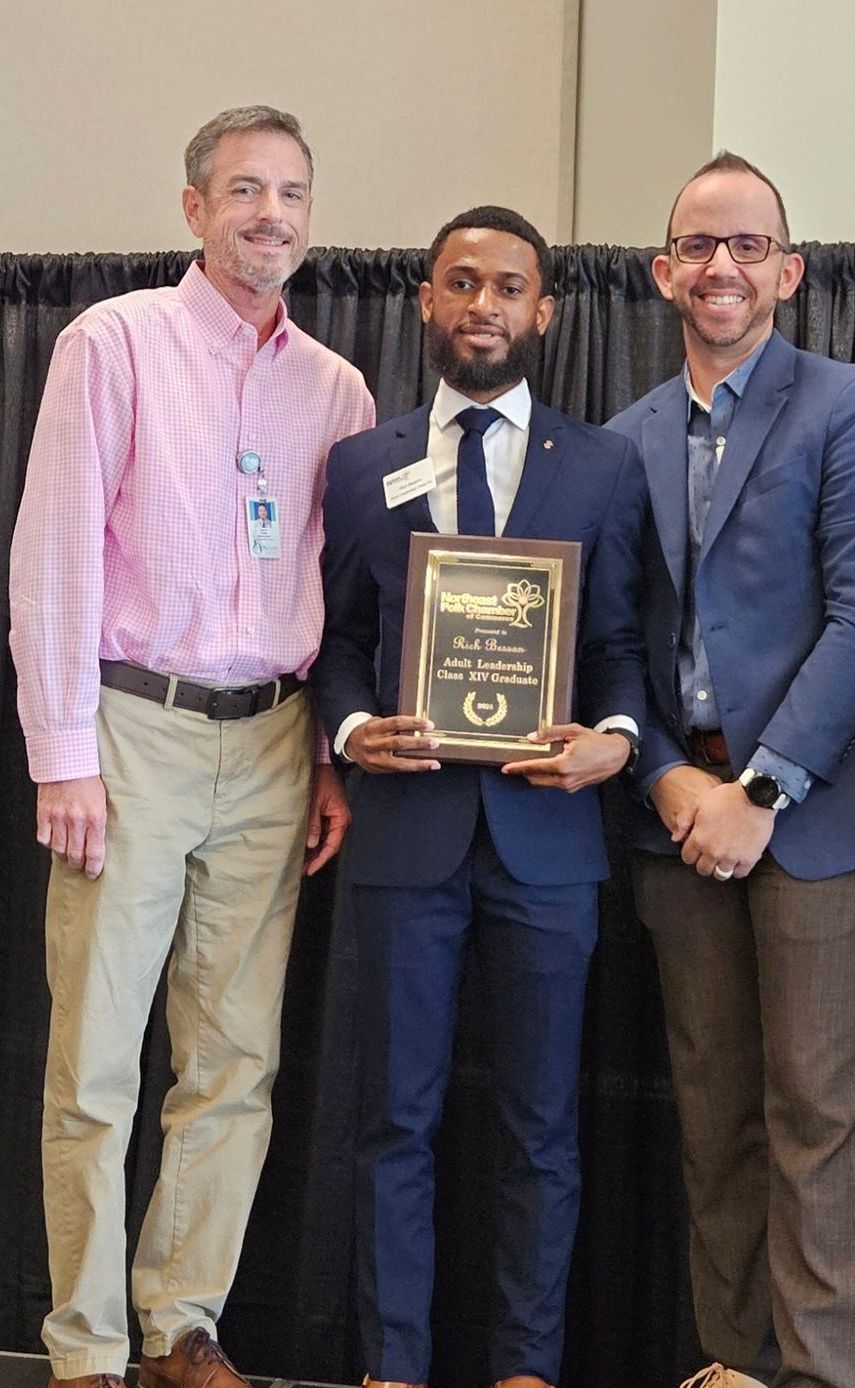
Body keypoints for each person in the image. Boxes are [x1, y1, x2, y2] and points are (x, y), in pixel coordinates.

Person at [8, 106, 374, 1388]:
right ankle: (86, 1347)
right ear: (194, 209)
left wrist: (328, 756)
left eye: (291, 192)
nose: (269, 212)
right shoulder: (112, 345)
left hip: (274, 741)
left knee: (235, 1064)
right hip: (134, 731)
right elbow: (50, 553)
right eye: (243, 190)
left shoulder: (336, 385)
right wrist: (63, 751)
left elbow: (341, 583)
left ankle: (181, 1325)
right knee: (98, 1062)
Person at [607, 153, 855, 1388]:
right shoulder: (625, 435)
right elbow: (612, 642)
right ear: (662, 271)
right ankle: (731, 1363)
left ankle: (823, 1376)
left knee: (821, 1116)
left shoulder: (848, 405)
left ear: (788, 271)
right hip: (678, 822)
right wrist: (668, 785)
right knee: (714, 1117)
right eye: (698, 244)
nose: (721, 267)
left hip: (815, 821)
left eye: (748, 245)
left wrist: (762, 787)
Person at [311, 205, 646, 1388]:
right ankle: (392, 1366)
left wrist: (615, 739)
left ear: (544, 311)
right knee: (393, 1120)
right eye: (463, 282)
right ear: (426, 300)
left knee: (539, 1127)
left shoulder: (603, 463)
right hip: (406, 835)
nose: (485, 304)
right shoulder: (362, 462)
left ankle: (524, 1370)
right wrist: (352, 727)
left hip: (549, 839)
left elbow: (617, 650)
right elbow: (341, 640)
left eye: (510, 286)